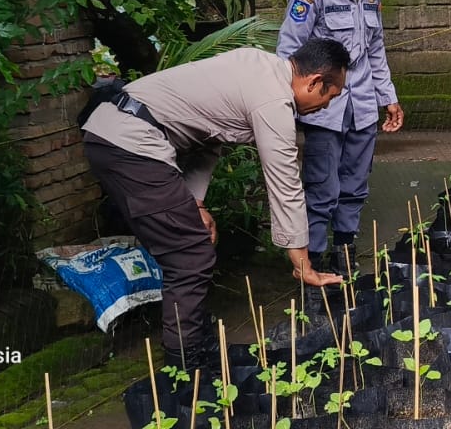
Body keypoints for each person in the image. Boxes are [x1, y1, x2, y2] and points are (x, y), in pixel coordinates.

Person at [80, 38, 350, 369]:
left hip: (115, 134)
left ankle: (198, 345)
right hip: (131, 143)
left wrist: (196, 203)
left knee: (190, 245)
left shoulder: (256, 66)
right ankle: (187, 363)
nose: (327, 106)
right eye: (330, 96)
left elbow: (207, 137)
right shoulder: (274, 100)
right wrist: (302, 261)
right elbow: (284, 183)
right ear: (314, 82)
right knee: (190, 256)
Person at [276, 0, 404, 275]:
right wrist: (288, 106)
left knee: (355, 185)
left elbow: (375, 48)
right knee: (321, 189)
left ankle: (344, 253)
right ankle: (312, 261)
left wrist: (387, 97)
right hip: (323, 110)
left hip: (362, 105)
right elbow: (289, 51)